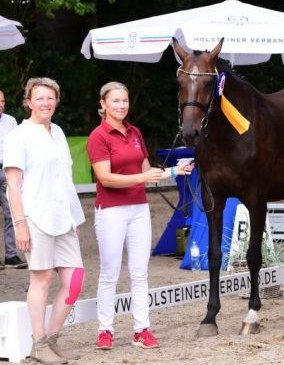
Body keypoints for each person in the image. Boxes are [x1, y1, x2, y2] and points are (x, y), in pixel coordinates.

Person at [87, 81, 194, 350]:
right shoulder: (98, 136)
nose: (121, 105)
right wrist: (143, 177)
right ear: (103, 104)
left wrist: (173, 172)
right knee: (109, 273)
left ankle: (141, 330)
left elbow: (147, 171)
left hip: (139, 209)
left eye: (124, 100)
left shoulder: (135, 132)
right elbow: (105, 178)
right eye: (115, 101)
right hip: (110, 210)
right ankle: (105, 331)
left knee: (139, 272)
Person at [4, 77, 85, 364]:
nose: (45, 103)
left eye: (50, 98)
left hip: (64, 218)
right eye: (39, 98)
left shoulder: (59, 132)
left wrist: (74, 215)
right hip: (36, 217)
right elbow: (13, 186)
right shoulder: (19, 136)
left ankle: (51, 338)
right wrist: (20, 224)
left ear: (56, 101)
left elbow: (65, 178)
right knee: (42, 278)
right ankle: (38, 343)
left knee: (75, 280)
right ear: (28, 102)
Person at [0, 89, 26, 270]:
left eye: (2, 101)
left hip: (5, 169)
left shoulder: (10, 121)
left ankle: (10, 255)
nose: (1, 104)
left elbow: (17, 145)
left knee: (11, 212)